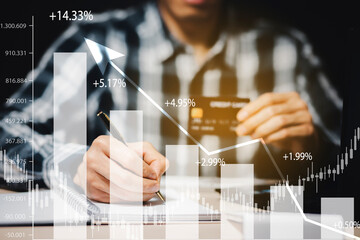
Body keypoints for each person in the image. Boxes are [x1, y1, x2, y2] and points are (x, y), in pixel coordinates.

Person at [0, 0, 342, 202]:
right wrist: (73, 165)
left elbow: (344, 159)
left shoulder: (286, 49)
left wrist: (310, 146)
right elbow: (7, 136)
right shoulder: (98, 41)